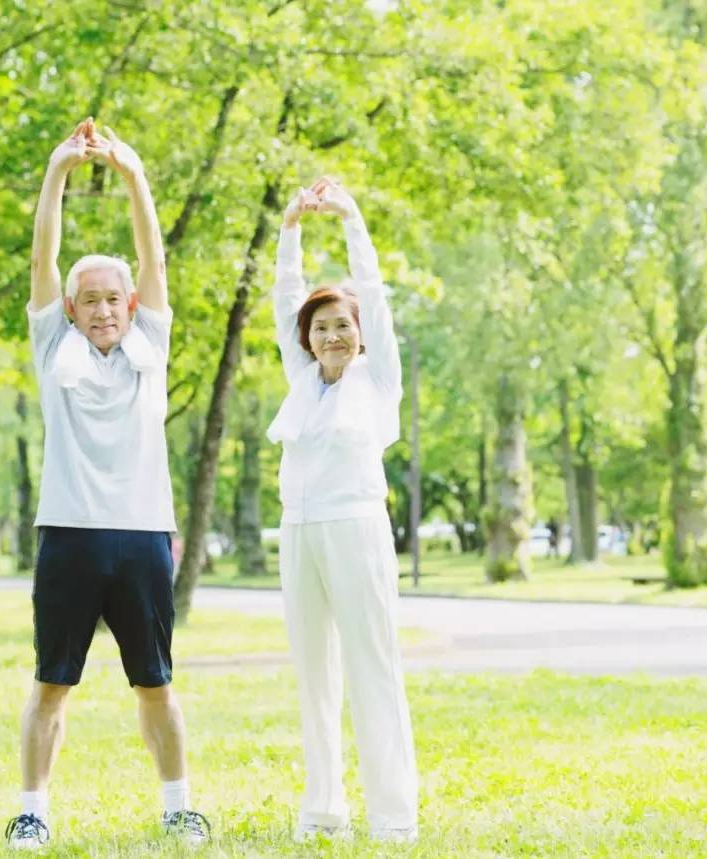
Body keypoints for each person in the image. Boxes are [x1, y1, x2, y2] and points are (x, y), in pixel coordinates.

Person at [3, 119, 209, 849]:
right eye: (87, 298)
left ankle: (179, 805)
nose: (102, 308)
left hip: (143, 535)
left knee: (154, 684)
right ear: (69, 308)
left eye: (112, 297)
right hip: (68, 535)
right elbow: (42, 256)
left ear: (130, 303)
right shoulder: (53, 345)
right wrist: (58, 170)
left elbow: (152, 256)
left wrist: (133, 174)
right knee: (52, 683)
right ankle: (32, 809)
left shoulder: (149, 342)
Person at [267, 177, 419, 843]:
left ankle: (392, 816)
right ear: (309, 338)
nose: (331, 334)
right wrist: (291, 229)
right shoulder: (301, 382)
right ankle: (324, 810)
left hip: (356, 527)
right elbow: (281, 302)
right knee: (315, 675)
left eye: (341, 326)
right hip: (298, 533)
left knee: (371, 666)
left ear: (359, 336)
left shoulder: (377, 380)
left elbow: (376, 297)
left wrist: (352, 215)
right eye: (320, 326)